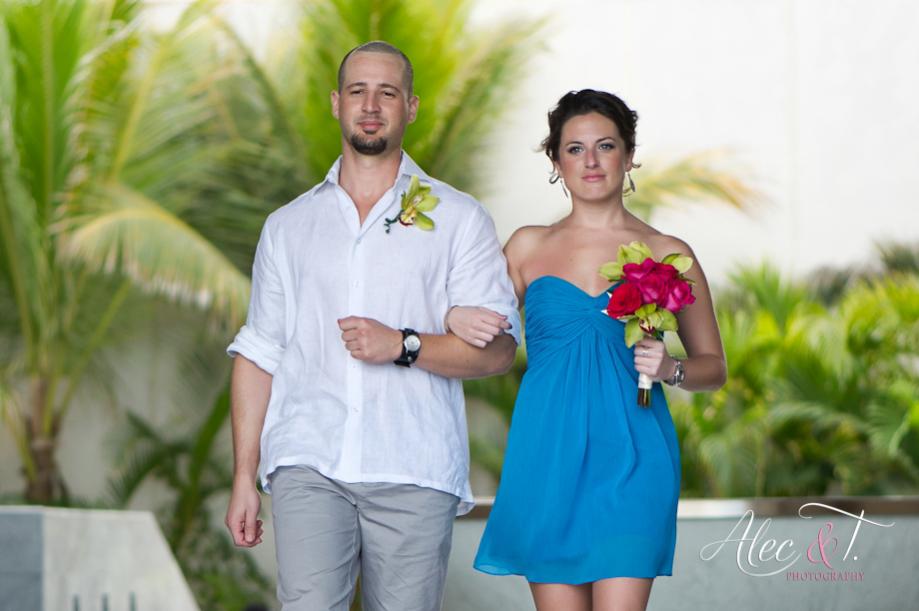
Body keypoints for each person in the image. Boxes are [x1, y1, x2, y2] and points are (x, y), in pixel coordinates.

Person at [223, 41, 521, 611]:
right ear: (337, 102)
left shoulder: (459, 218)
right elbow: (259, 353)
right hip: (309, 460)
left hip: (413, 465)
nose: (370, 105)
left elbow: (500, 351)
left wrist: (404, 345)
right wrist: (243, 476)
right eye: (358, 91)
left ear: (411, 107)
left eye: (387, 93)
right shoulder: (288, 226)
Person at [447, 89, 727, 611]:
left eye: (606, 146)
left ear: (629, 155)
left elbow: (714, 367)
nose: (591, 161)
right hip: (546, 453)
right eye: (575, 149)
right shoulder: (526, 246)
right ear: (556, 162)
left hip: (634, 455)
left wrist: (672, 368)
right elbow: (483, 331)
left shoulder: (668, 252)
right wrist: (451, 315)